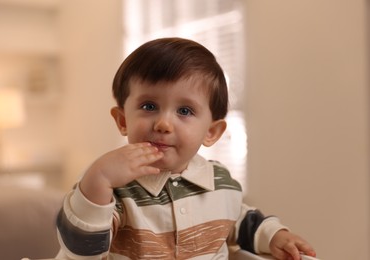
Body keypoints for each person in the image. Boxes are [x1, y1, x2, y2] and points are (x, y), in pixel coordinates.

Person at [55, 37, 316, 260]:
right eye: (148, 106)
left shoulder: (219, 181)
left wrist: (274, 236)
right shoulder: (114, 188)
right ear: (123, 121)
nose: (163, 123)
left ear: (211, 132)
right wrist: (98, 180)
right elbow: (80, 251)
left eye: (184, 111)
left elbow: (239, 219)